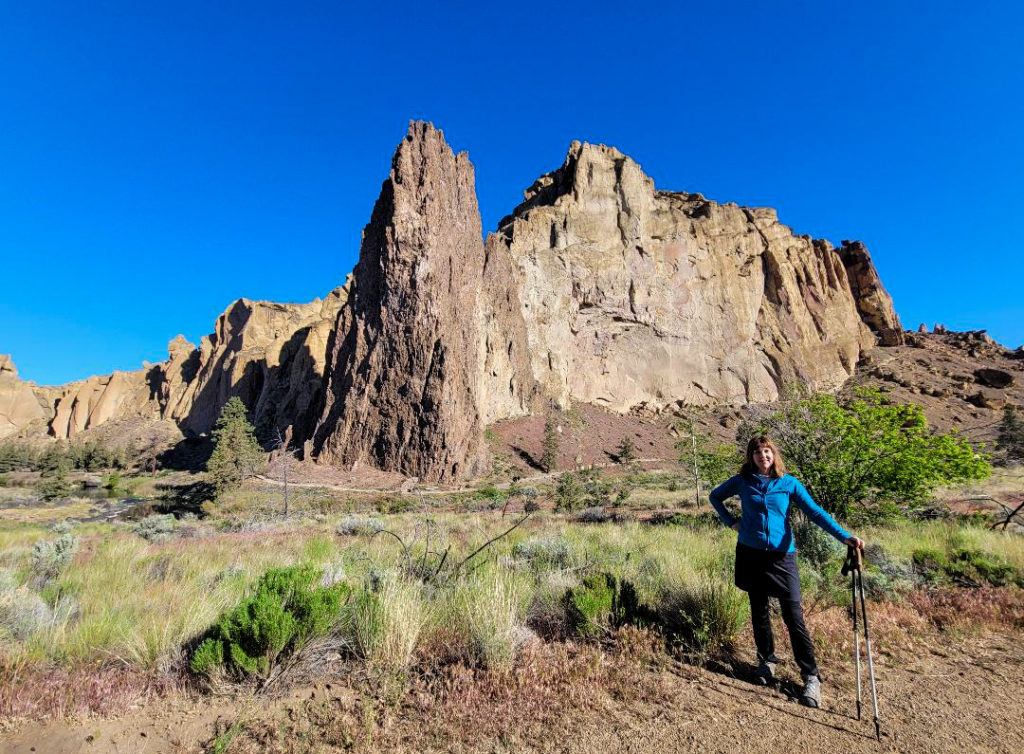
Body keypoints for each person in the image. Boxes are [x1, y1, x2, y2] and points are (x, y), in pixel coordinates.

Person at [709, 435, 864, 709]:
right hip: (750, 553)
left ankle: (811, 677)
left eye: (766, 451)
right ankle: (766, 660)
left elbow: (815, 513)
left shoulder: (789, 483)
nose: (762, 456)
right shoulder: (742, 481)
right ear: (751, 456)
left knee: (794, 616)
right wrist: (732, 522)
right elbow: (715, 496)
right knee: (759, 610)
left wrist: (844, 537)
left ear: (773, 454)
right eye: (756, 452)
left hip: (783, 557)